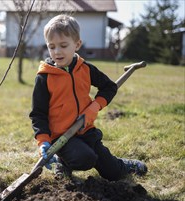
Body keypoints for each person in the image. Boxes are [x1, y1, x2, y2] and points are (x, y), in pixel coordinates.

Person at [29, 14, 147, 181]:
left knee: (112, 173)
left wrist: (94, 107)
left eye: (63, 45)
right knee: (85, 158)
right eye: (52, 46)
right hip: (62, 138)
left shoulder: (85, 69)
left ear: (77, 45)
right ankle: (63, 162)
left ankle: (122, 165)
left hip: (86, 131)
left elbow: (109, 87)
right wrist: (43, 141)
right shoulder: (44, 77)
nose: (57, 52)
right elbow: (38, 114)